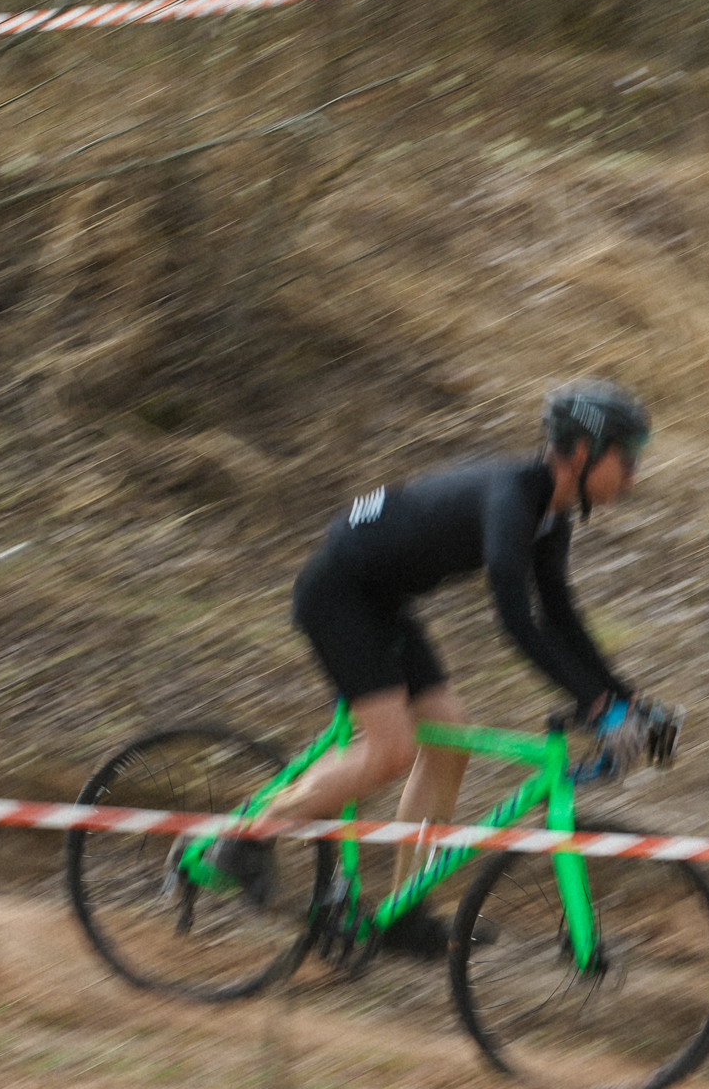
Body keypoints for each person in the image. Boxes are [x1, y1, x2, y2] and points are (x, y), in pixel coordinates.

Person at [254, 379, 658, 954]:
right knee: (390, 751)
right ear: (581, 453)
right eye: (628, 458)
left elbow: (563, 620)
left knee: (450, 743)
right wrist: (597, 706)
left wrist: (623, 698)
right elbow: (517, 625)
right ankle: (244, 838)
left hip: (381, 601)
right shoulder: (513, 501)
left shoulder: (550, 516)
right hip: (338, 595)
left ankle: (401, 912)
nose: (634, 475)